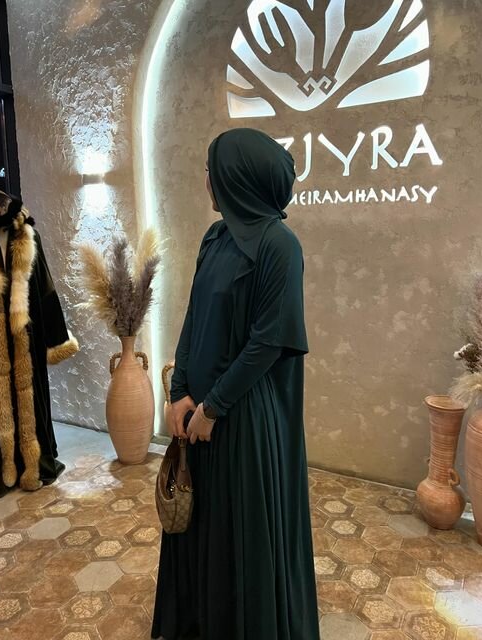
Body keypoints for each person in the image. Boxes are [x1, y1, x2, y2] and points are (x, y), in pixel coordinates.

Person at [152, 128, 319, 640]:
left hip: (243, 417)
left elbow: (268, 343)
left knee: (238, 528)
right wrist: (179, 392)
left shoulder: (280, 245)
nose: (207, 180)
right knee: (201, 519)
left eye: (213, 170)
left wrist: (213, 407)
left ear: (238, 178)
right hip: (198, 410)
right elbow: (194, 316)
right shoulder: (215, 236)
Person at [0, 188, 78, 498]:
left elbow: (45, 290)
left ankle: (34, 463)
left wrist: (56, 339)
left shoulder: (28, 236)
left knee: (31, 399)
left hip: (27, 337)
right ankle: (2, 467)